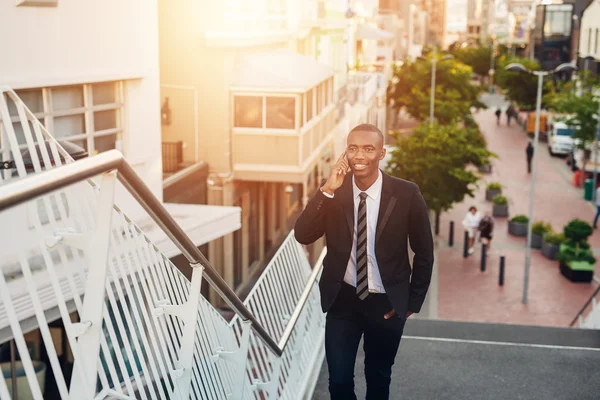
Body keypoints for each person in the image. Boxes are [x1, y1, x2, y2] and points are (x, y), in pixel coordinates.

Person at [294, 123, 434, 400]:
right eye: (353, 148)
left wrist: (410, 302)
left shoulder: (406, 194)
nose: (359, 155)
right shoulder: (335, 191)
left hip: (386, 302)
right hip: (343, 300)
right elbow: (304, 234)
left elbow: (424, 251)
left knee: (378, 379)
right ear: (346, 152)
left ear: (381, 153)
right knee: (340, 381)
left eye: (368, 149)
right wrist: (326, 189)